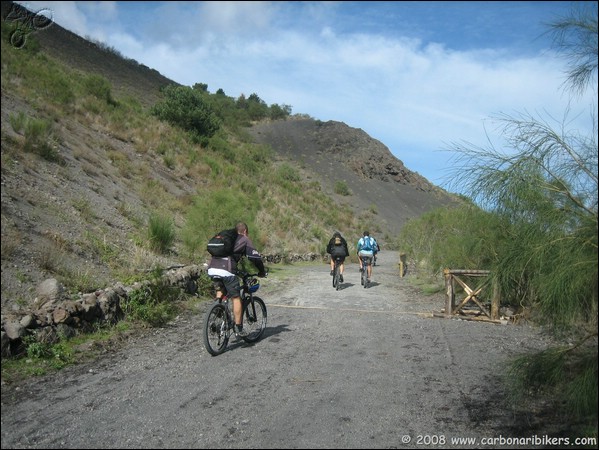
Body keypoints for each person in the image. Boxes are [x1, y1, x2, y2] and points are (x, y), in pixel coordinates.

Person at [207, 222, 266, 337]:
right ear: (245, 231)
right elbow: (255, 258)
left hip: (212, 268)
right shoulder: (244, 239)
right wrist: (261, 271)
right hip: (226, 269)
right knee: (236, 297)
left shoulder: (226, 237)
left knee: (221, 289)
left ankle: (217, 309)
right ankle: (238, 327)